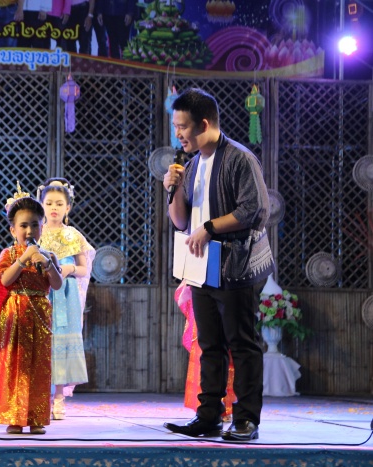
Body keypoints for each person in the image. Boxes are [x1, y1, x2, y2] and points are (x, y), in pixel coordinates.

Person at [162, 88, 274, 441]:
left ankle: (246, 420)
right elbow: (181, 222)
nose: (178, 134)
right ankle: (208, 416)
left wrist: (209, 228)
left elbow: (254, 209)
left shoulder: (240, 159)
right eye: (176, 127)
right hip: (201, 266)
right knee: (209, 345)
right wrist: (172, 189)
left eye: (183, 127)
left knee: (242, 343)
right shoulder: (193, 164)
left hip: (235, 264)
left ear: (204, 124)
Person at [0, 183, 63, 435]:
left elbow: (57, 285)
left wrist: (47, 264)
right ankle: (14, 418)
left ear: (42, 226)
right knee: (13, 364)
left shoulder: (48, 255)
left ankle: (37, 417)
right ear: (13, 229)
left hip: (40, 315)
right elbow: (5, 280)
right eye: (23, 225)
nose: (29, 230)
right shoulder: (8, 254)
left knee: (39, 366)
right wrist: (23, 259)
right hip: (13, 316)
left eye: (34, 225)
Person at [37, 178, 95, 419]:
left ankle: (59, 396)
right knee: (41, 341)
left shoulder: (73, 235)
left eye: (59, 203)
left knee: (61, 341)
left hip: (66, 294)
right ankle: (39, 395)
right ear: (41, 205)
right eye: (49, 203)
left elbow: (84, 268)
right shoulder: (36, 233)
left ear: (68, 208)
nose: (54, 208)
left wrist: (69, 269)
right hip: (42, 292)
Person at [175, 280, 236, 422]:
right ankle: (207, 410)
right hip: (202, 288)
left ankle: (228, 409)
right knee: (206, 353)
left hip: (229, 288)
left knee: (228, 355)